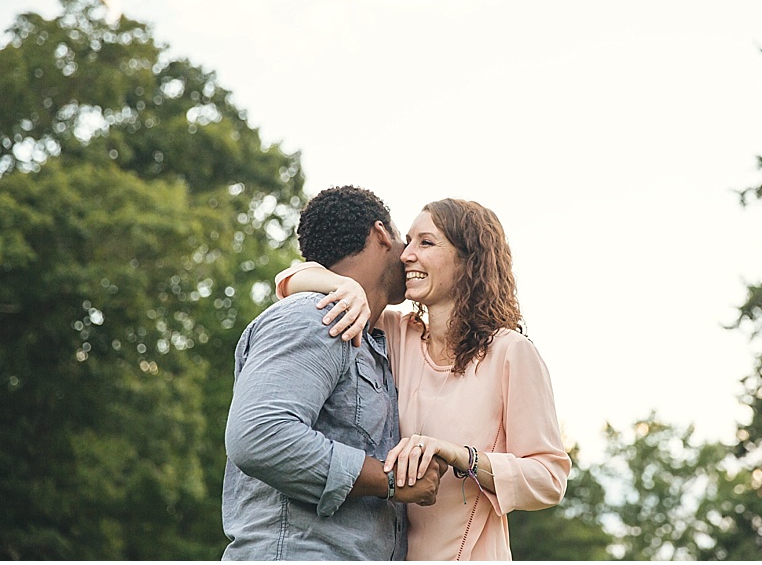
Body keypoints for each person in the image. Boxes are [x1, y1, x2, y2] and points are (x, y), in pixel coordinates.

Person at [276, 198, 571, 560]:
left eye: (426, 243)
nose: (406, 254)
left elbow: (550, 478)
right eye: (409, 240)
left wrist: (461, 456)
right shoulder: (396, 333)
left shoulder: (511, 353)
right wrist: (344, 285)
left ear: (469, 260)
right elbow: (289, 280)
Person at [222, 186, 446, 561]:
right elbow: (258, 435)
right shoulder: (314, 317)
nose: (409, 256)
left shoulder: (377, 340)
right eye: (406, 241)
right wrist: (390, 480)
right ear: (380, 235)